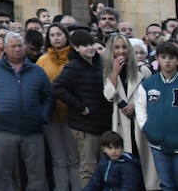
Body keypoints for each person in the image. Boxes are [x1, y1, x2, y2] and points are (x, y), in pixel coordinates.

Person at [0, 30, 52, 191]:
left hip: (33, 131)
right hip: (3, 130)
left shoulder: (37, 71)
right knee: (1, 174)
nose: (17, 49)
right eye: (13, 46)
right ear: (4, 48)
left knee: (37, 175)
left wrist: (43, 116)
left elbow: (48, 96)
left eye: (20, 46)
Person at [53, 28, 112, 188]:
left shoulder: (101, 63)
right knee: (88, 168)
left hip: (104, 123)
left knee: (106, 166)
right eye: (84, 45)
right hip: (84, 126)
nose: (90, 48)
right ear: (77, 48)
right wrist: (80, 108)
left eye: (91, 44)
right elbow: (57, 88)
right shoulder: (73, 67)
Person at [104, 30, 158, 188]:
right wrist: (115, 72)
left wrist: (136, 104)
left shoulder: (143, 70)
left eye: (124, 47)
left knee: (145, 162)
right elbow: (108, 95)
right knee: (127, 161)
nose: (121, 51)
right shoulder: (108, 72)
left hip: (140, 120)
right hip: (121, 121)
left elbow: (152, 95)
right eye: (117, 47)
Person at [40, 22, 82, 191]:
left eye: (59, 34)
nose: (56, 38)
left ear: (66, 36)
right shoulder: (42, 61)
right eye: (52, 35)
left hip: (73, 116)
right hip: (51, 117)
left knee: (74, 158)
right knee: (58, 159)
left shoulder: (75, 58)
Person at [136, 41, 178, 190]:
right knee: (166, 184)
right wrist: (147, 127)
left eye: (172, 57)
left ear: (177, 60)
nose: (167, 61)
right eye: (163, 57)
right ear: (157, 59)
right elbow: (140, 107)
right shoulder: (148, 84)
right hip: (158, 143)